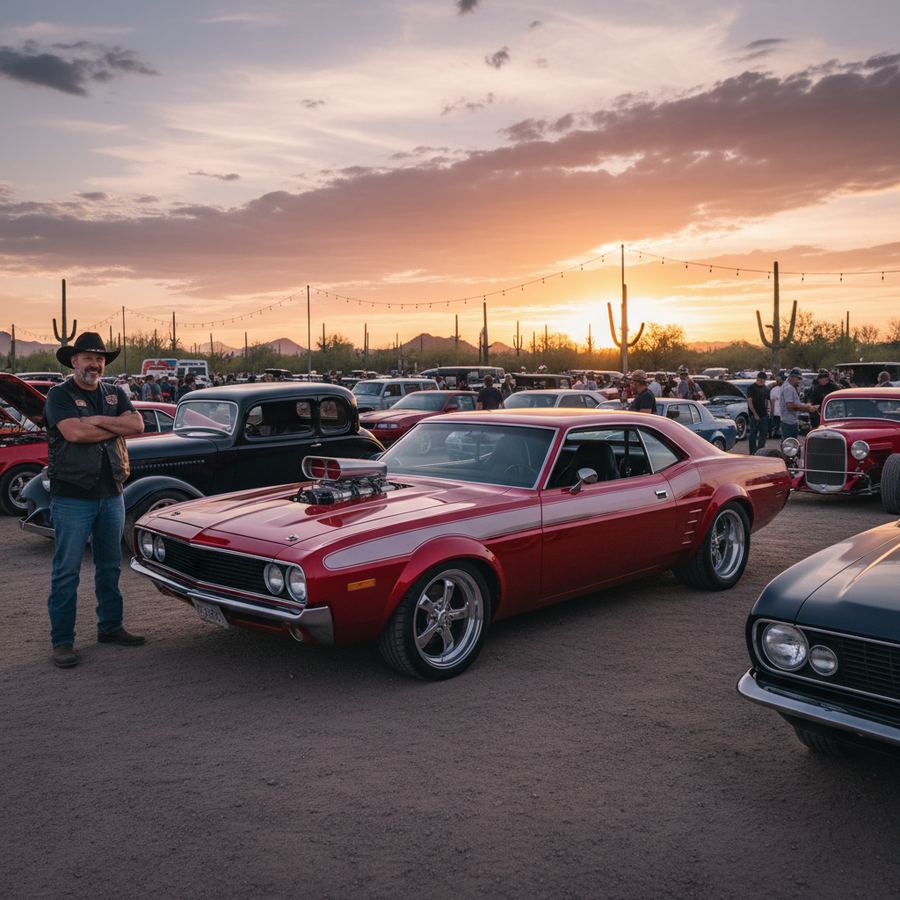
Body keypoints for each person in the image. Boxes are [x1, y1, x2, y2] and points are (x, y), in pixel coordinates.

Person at [43, 333, 146, 669]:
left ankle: (111, 628)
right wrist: (115, 427)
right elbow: (74, 433)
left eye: (100, 359)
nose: (95, 364)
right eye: (88, 358)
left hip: (112, 493)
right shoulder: (60, 395)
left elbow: (137, 425)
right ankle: (62, 642)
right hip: (73, 495)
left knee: (109, 566)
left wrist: (97, 420)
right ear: (74, 361)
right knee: (66, 572)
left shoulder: (114, 392)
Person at [780, 368, 816, 439]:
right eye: (798, 379)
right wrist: (805, 407)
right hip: (789, 423)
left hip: (790, 421)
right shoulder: (788, 388)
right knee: (790, 446)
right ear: (792, 377)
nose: (799, 381)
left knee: (791, 445)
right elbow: (789, 406)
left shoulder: (790, 386)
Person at [746, 371, 771, 454]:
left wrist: (768, 411)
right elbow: (749, 402)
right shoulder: (751, 388)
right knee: (753, 434)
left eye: (764, 380)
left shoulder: (766, 388)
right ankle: (752, 452)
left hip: (764, 415)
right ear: (758, 379)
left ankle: (760, 451)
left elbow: (767, 401)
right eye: (761, 380)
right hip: (754, 415)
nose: (762, 382)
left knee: (763, 434)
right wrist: (755, 414)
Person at [769, 372, 784, 437]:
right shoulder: (787, 389)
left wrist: (771, 412)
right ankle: (778, 432)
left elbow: (772, 402)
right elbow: (772, 402)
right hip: (781, 412)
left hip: (777, 412)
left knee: (777, 423)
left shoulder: (774, 390)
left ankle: (776, 432)